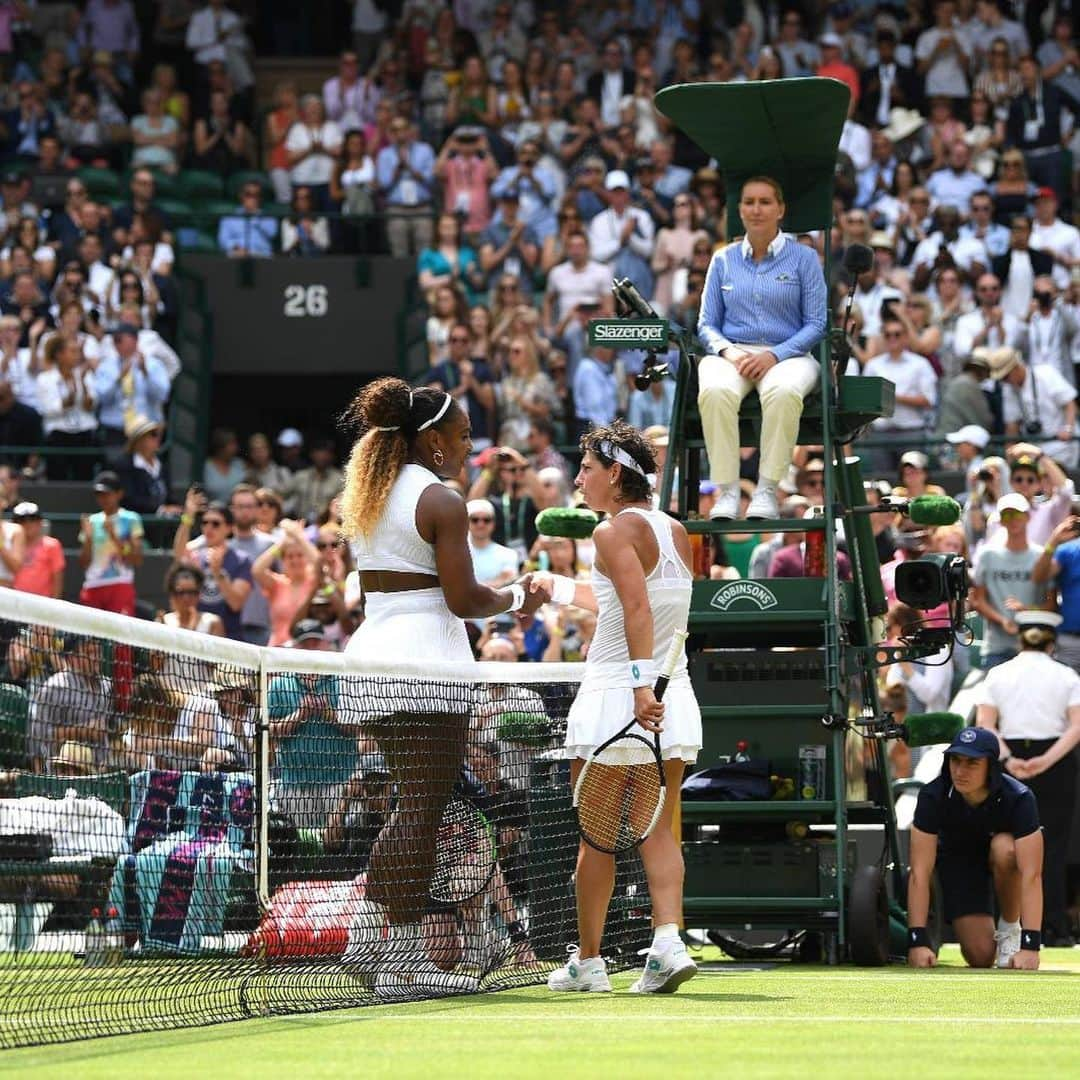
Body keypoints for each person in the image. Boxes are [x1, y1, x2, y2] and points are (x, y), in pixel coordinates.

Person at [337, 377, 544, 999]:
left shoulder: (371, 494)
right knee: (423, 811)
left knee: (411, 806)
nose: (467, 448)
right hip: (427, 659)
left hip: (376, 656)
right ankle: (400, 962)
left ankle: (366, 941)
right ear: (429, 439)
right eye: (461, 436)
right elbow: (464, 598)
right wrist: (519, 596)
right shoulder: (440, 500)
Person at [529, 420, 700, 994]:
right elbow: (619, 600)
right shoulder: (675, 530)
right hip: (669, 691)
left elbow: (635, 610)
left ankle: (589, 962)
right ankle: (668, 944)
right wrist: (551, 586)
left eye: (587, 469)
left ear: (615, 474)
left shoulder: (610, 533)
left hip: (621, 692)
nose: (578, 478)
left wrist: (637, 686)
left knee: (597, 837)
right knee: (659, 828)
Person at [697, 176, 827, 520]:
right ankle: (726, 491)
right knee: (713, 389)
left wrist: (774, 355)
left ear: (780, 209)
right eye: (749, 202)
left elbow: (816, 324)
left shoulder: (805, 258)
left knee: (784, 391)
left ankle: (768, 489)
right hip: (733, 354)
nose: (756, 209)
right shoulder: (722, 260)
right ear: (739, 209)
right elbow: (706, 324)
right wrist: (730, 352)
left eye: (765, 202)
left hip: (791, 354)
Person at [976, 611, 1080, 945]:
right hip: (1054, 762)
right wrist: (1045, 761)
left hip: (1008, 761)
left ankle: (1009, 925)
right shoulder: (1067, 676)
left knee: (1005, 843)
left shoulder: (997, 674)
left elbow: (985, 725)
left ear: (1019, 638)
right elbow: (1076, 727)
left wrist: (1010, 759)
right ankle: (1051, 926)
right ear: (1052, 642)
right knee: (1052, 846)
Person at [907, 725, 1042, 970]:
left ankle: (1010, 928)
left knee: (1005, 848)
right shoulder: (932, 796)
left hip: (1003, 859)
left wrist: (1030, 947)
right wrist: (917, 941)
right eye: (955, 760)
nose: (960, 771)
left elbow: (1032, 875)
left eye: (972, 763)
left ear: (990, 766)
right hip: (960, 862)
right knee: (980, 957)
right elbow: (919, 872)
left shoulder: (1020, 798)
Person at [970, 492, 1050, 668]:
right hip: (996, 649)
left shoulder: (1041, 556)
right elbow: (978, 600)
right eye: (1007, 514)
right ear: (1001, 520)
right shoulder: (987, 555)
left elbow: (1051, 602)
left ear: (1028, 517)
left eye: (1017, 514)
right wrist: (1002, 620)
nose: (1013, 519)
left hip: (1034, 647)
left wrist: (1027, 611)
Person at [10, 502, 63, 599]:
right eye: (22, 520)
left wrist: (55, 605)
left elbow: (57, 579)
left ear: (40, 522)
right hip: (13, 603)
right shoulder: (9, 546)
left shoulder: (52, 545)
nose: (28, 524)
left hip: (42, 604)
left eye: (32, 519)